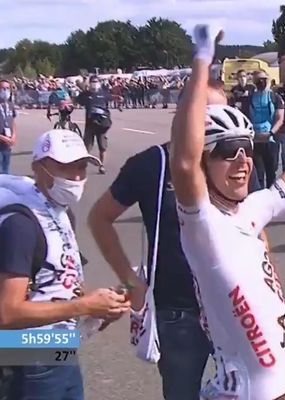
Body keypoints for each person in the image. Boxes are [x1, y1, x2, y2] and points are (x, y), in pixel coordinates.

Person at [169, 25, 285, 399]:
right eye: (227, 152)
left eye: (247, 149)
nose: (242, 162)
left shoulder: (252, 209)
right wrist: (202, 57)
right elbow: (184, 161)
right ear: (206, 163)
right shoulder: (203, 225)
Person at [87, 81, 266, 400]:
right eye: (206, 112)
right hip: (180, 314)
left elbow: (251, 221)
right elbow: (99, 218)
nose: (217, 120)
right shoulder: (151, 164)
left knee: (256, 392)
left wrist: (268, 287)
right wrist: (131, 283)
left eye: (224, 111)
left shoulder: (232, 160)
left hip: (235, 308)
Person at [0, 129, 130, 400]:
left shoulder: (61, 211)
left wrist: (100, 306)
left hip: (59, 347)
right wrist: (84, 305)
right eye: (66, 168)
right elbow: (7, 314)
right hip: (30, 354)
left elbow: (63, 275)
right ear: (39, 167)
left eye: (81, 167)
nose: (77, 177)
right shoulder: (21, 225)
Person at [248, 70, 285, 189]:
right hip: (256, 139)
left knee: (271, 172)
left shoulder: (275, 97)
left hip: (271, 139)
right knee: (258, 173)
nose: (261, 82)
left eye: (264, 79)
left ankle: (271, 197)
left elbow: (280, 118)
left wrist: (270, 133)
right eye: (258, 80)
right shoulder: (249, 98)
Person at [76, 76, 120, 175]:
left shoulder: (103, 93)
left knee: (102, 146)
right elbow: (78, 101)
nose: (95, 83)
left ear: (99, 83)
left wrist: (118, 98)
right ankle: (83, 166)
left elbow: (111, 97)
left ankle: (102, 165)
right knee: (87, 146)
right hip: (90, 124)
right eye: (93, 82)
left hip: (101, 125)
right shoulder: (85, 95)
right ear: (90, 83)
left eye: (96, 81)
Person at [0, 80, 16, 175]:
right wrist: (3, 138)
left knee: (6, 171)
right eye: (3, 88)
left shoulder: (9, 105)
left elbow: (13, 121)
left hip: (7, 145)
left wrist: (14, 136)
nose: (5, 91)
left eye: (7, 88)